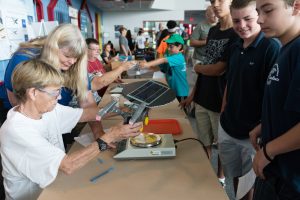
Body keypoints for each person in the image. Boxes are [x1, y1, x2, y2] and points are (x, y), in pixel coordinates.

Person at [0, 59, 142, 200]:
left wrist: (121, 109)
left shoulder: (47, 110)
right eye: (55, 92)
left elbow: (87, 114)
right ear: (33, 93)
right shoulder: (17, 131)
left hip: (56, 185)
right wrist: (110, 136)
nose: (60, 97)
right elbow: (68, 165)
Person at [217, 0, 280, 199]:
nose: (241, 25)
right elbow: (230, 79)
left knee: (250, 182)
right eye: (236, 21)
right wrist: (224, 107)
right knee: (233, 175)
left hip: (252, 134)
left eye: (247, 19)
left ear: (258, 16)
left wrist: (262, 126)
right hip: (228, 125)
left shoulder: (272, 47)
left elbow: (275, 96)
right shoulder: (235, 44)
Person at [0, 24, 104, 140]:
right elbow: (17, 102)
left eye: (76, 58)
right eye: (67, 56)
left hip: (56, 116)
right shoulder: (23, 59)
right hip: (26, 122)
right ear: (53, 48)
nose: (72, 62)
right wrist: (60, 119)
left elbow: (87, 102)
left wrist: (98, 133)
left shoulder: (75, 64)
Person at [180, 0, 239, 187]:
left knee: (221, 144)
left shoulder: (236, 33)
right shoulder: (213, 31)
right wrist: (192, 95)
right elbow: (208, 65)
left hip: (220, 98)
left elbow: (219, 69)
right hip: (202, 97)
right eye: (213, 1)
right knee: (204, 140)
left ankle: (220, 178)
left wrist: (197, 67)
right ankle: (206, 172)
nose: (216, 4)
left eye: (220, 0)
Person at [251, 0, 300, 199]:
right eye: (258, 11)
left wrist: (268, 151)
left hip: (289, 180)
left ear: (296, 6)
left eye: (268, 10)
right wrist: (264, 125)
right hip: (274, 171)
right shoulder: (285, 48)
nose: (260, 19)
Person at [140, 34, 189, 102]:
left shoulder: (179, 57)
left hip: (181, 92)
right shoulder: (171, 58)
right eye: (168, 46)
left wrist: (147, 64)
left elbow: (163, 60)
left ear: (179, 46)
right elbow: (159, 68)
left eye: (171, 47)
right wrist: (143, 69)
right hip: (173, 89)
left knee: (181, 111)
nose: (168, 49)